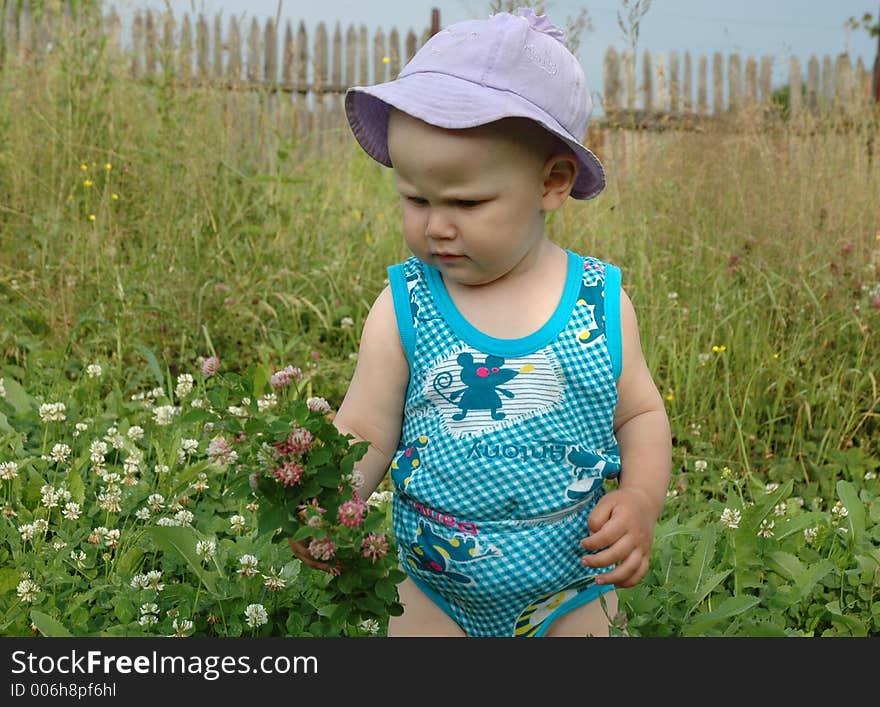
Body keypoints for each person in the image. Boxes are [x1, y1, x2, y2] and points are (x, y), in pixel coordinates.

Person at [332, 7, 672, 637]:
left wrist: (642, 500)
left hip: (570, 590)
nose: (436, 224)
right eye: (415, 198)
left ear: (553, 182)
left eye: (467, 202)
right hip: (432, 586)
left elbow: (640, 415)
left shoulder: (598, 304)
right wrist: (333, 501)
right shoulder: (405, 305)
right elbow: (364, 429)